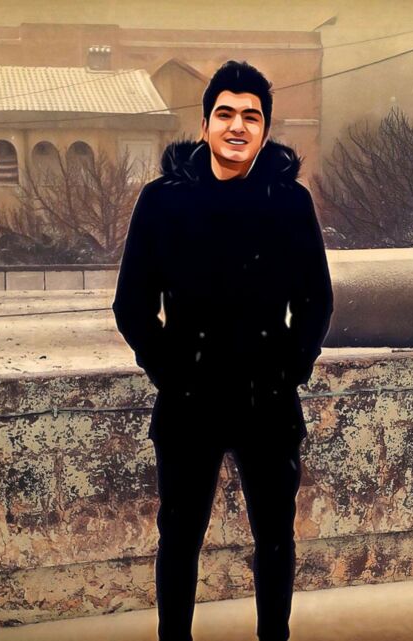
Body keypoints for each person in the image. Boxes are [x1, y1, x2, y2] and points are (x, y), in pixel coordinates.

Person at [112, 60, 333, 641]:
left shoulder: (290, 202)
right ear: (205, 123)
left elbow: (317, 301)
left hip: (268, 401)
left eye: (251, 116)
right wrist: (172, 371)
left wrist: (289, 369)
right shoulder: (162, 202)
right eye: (226, 113)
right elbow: (131, 305)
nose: (238, 126)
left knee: (276, 537)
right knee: (179, 537)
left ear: (266, 129)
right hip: (189, 401)